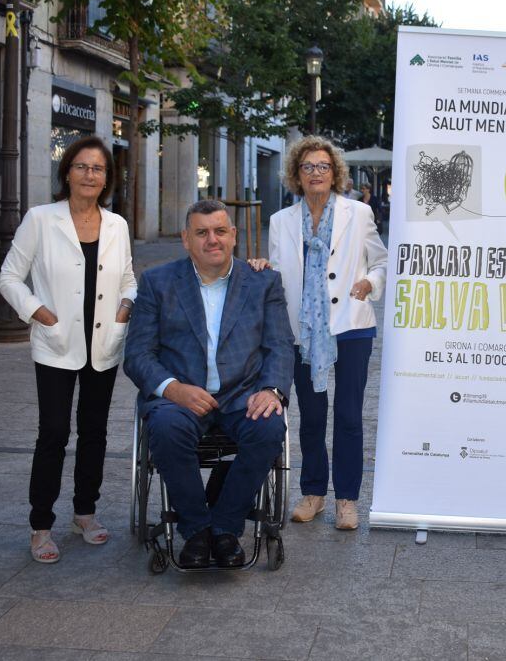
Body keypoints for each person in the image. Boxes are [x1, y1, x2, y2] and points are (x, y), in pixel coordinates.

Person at [124, 200, 294, 568]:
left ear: (234, 235)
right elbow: (137, 354)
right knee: (165, 428)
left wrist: (271, 390)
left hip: (243, 395)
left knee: (269, 428)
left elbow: (279, 345)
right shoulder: (157, 282)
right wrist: (173, 389)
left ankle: (224, 527)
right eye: (201, 233)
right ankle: (196, 529)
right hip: (180, 397)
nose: (211, 240)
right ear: (186, 239)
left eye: (219, 231)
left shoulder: (263, 282)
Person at [0, 136, 136, 563]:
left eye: (98, 168)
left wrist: (125, 308)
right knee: (54, 432)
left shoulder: (116, 225)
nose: (89, 175)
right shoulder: (41, 219)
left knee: (94, 431)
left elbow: (128, 278)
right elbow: (9, 277)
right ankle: (41, 525)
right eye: (81, 166)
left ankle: (85, 513)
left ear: (107, 178)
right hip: (56, 342)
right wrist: (39, 313)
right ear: (67, 173)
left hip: (103, 342)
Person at [250, 136, 386, 531]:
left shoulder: (358, 213)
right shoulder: (281, 220)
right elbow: (279, 272)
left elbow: (381, 262)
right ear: (297, 174)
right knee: (310, 416)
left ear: (335, 173)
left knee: (348, 415)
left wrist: (371, 283)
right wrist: (262, 268)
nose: (316, 173)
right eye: (308, 166)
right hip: (302, 331)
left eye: (323, 166)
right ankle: (313, 493)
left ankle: (347, 499)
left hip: (351, 326)